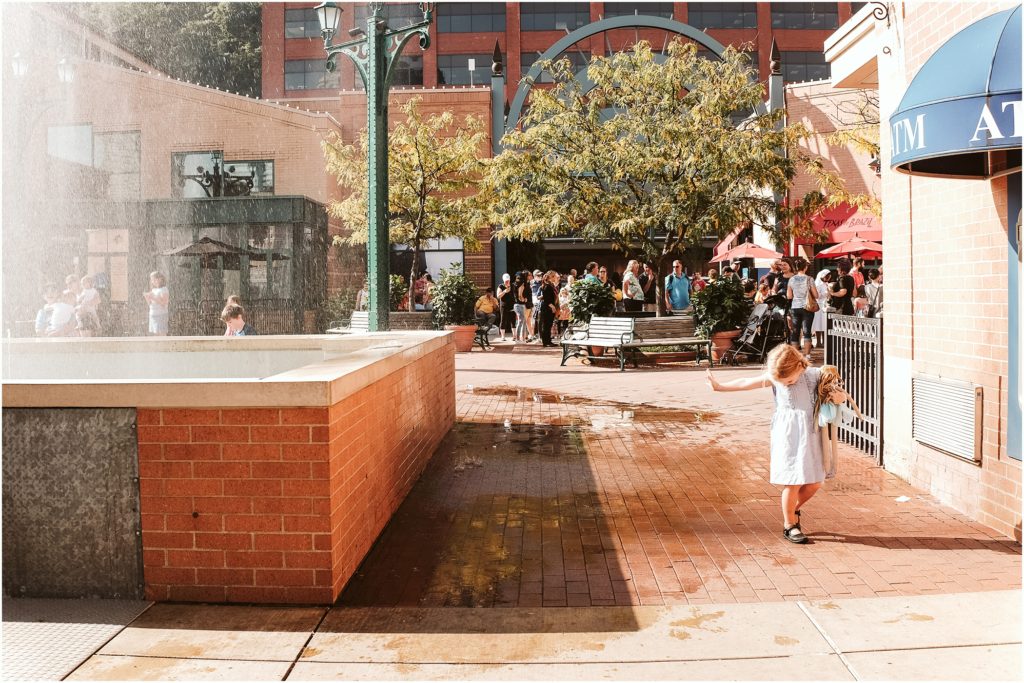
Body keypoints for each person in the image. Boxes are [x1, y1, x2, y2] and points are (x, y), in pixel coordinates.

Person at [706, 344, 825, 544]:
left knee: (815, 482)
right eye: (782, 381)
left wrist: (837, 394)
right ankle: (790, 525)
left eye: (788, 381)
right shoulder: (776, 376)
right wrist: (720, 386)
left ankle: (793, 509)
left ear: (798, 366)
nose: (785, 384)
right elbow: (747, 382)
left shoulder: (813, 375)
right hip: (788, 435)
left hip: (811, 434)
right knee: (793, 480)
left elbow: (832, 389)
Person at [787, 257, 815, 359]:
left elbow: (789, 296)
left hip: (795, 307)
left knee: (795, 332)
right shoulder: (809, 279)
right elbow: (816, 295)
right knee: (807, 331)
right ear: (805, 267)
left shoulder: (791, 279)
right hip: (807, 307)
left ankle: (796, 356)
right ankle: (807, 355)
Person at [143, 271, 169, 336]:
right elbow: (150, 304)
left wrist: (153, 298)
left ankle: (164, 346)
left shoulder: (164, 289)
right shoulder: (154, 290)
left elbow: (164, 303)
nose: (152, 281)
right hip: (153, 314)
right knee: (156, 334)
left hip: (161, 314)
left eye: (154, 279)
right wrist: (147, 297)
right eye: (152, 279)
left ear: (160, 279)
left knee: (162, 333)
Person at [812, 270, 832, 349]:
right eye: (827, 277)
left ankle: (824, 341)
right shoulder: (817, 284)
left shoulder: (826, 284)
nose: (828, 278)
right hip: (818, 306)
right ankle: (818, 342)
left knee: (824, 324)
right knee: (818, 324)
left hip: (825, 305)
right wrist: (826, 294)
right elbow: (816, 295)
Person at [539, 270, 559, 347]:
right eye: (554, 276)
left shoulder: (550, 285)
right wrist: (553, 306)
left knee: (548, 325)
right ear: (551, 277)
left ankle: (548, 341)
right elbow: (547, 298)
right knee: (546, 325)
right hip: (547, 308)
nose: (556, 278)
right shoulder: (547, 286)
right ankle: (546, 342)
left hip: (549, 307)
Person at [496, 273, 515, 341]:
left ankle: (514, 336)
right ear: (503, 280)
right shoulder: (501, 286)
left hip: (512, 305)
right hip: (504, 305)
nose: (507, 282)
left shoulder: (512, 285)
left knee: (513, 320)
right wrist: (504, 291)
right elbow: (498, 296)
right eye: (506, 281)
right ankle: (503, 336)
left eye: (508, 280)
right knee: (503, 320)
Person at [513, 273, 529, 342]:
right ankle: (519, 338)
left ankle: (521, 338)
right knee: (521, 321)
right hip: (520, 305)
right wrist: (524, 299)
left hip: (518, 305)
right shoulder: (521, 285)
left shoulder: (514, 285)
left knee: (522, 321)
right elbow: (520, 296)